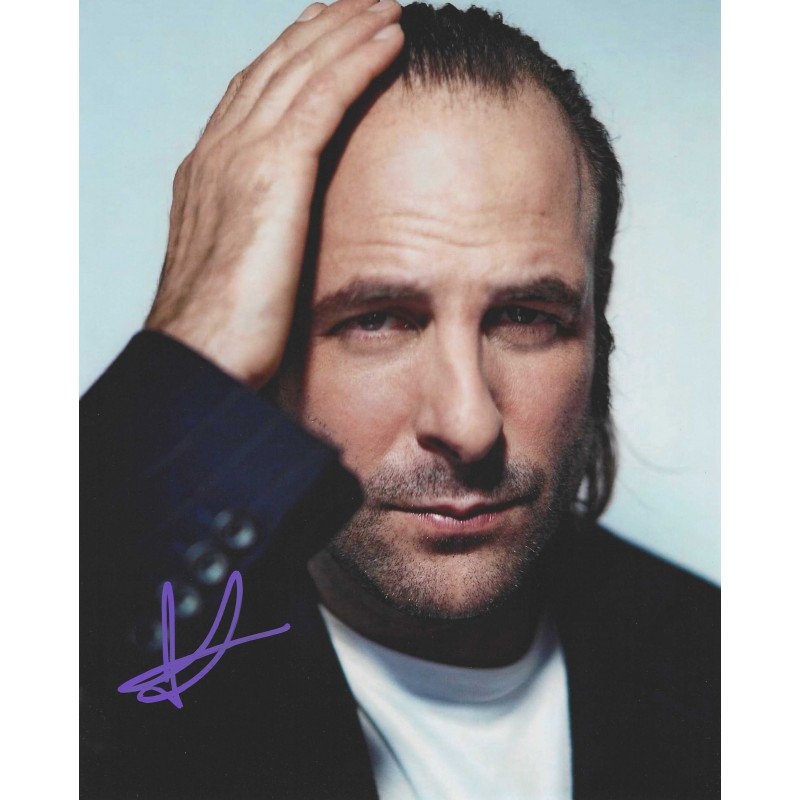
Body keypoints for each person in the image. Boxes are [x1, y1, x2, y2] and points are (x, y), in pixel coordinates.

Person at [80, 2, 720, 798]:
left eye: (526, 317)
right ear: (270, 344)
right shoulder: (119, 688)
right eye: (377, 320)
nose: (469, 424)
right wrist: (191, 348)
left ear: (598, 326)